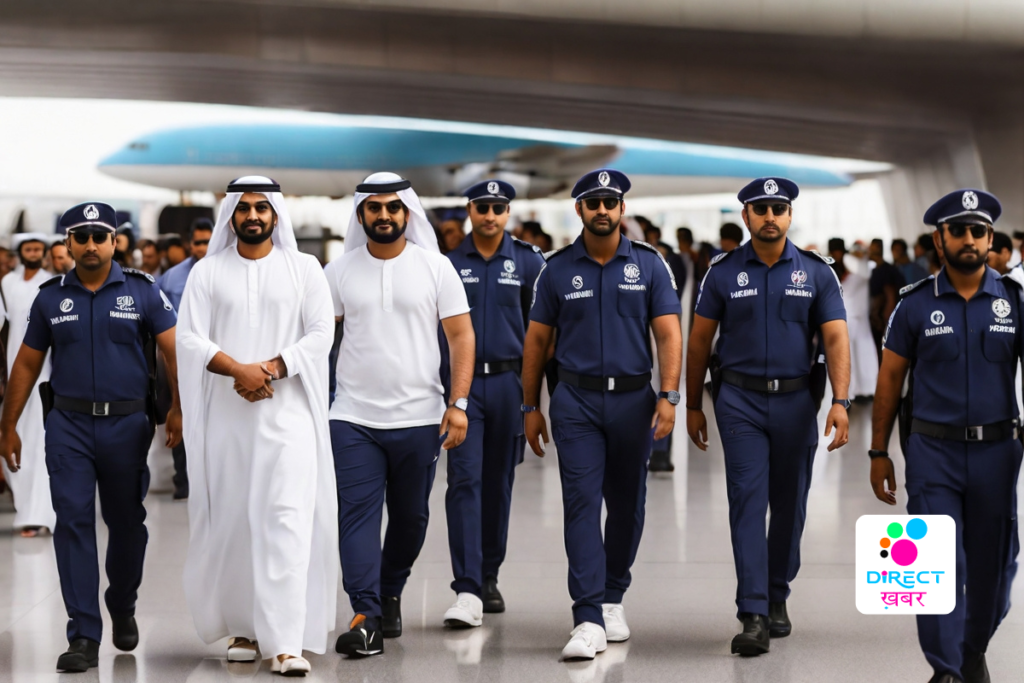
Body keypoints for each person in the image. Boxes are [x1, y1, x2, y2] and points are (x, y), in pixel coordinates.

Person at [0, 202, 181, 673]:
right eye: (81, 237)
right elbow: (26, 363)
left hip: (127, 426)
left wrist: (179, 407)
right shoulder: (49, 299)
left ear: (115, 241)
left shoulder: (143, 292)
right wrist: (8, 425)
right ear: (68, 245)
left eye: (100, 236)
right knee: (73, 523)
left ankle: (121, 601)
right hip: (69, 426)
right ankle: (83, 633)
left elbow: (172, 349)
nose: (91, 244)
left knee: (126, 525)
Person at [176, 177, 337, 677]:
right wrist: (236, 369)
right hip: (226, 422)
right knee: (235, 521)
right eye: (243, 208)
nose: (252, 215)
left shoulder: (304, 268)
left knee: (286, 520)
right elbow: (188, 338)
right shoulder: (207, 272)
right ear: (231, 215)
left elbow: (320, 333)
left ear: (275, 215)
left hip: (287, 418)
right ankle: (244, 628)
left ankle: (286, 641)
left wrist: (267, 368)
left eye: (261, 208)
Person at [686, 177, 851, 656]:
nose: (770, 216)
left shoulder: (818, 272)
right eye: (760, 209)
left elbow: (836, 338)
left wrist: (840, 400)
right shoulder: (721, 273)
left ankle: (778, 591)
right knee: (746, 500)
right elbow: (700, 341)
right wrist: (693, 402)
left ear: (790, 215)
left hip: (798, 402)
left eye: (778, 208)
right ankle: (753, 612)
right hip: (739, 401)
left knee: (791, 504)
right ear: (746, 217)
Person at [523, 168, 682, 661]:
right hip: (576, 401)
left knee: (629, 504)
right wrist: (531, 406)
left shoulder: (651, 266)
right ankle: (587, 616)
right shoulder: (556, 270)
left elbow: (670, 335)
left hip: (635, 401)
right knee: (581, 503)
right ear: (580, 210)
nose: (602, 210)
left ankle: (613, 595)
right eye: (593, 202)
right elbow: (537, 342)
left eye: (610, 201)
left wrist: (669, 396)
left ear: (621, 209)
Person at [870, 189, 1020, 683]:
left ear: (991, 238)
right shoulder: (913, 306)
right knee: (933, 563)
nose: (970, 239)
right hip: (933, 451)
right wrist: (878, 451)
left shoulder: (1015, 302)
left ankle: (971, 649)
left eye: (979, 231)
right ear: (940, 240)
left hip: (999, 452)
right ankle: (946, 669)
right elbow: (890, 381)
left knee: (995, 571)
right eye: (959, 230)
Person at [326, 172, 474, 657]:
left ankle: (390, 589)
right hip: (352, 418)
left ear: (407, 213)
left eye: (393, 207)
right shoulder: (338, 271)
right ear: (361, 214)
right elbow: (318, 340)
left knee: (411, 519)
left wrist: (458, 404)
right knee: (357, 518)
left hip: (420, 418)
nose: (384, 215)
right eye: (374, 208)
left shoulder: (436, 267)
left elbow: (461, 337)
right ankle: (366, 614)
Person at [442, 180, 545, 626]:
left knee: (498, 483)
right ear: (469, 209)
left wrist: (536, 398)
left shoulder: (527, 261)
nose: (490, 214)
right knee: (463, 481)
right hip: (463, 388)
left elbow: (541, 334)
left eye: (498, 207)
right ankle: (465, 588)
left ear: (508, 212)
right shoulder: (446, 265)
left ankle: (488, 576)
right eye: (482, 206)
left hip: (509, 384)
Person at [0, 234, 57, 537]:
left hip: (44, 374)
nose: (33, 253)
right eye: (28, 249)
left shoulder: (51, 283)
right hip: (14, 375)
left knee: (41, 440)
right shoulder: (8, 282)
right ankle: (26, 509)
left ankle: (41, 513)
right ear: (20, 252)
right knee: (15, 437)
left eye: (37, 248)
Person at [157, 217, 214, 500]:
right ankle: (184, 481)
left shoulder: (223, 271)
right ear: (190, 244)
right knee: (181, 415)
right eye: (198, 242)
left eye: (208, 241)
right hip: (180, 360)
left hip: (219, 361)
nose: (203, 248)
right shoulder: (172, 278)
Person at [829, 238, 876, 401]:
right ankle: (851, 391)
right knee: (849, 356)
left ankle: (864, 389)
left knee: (862, 355)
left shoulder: (860, 266)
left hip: (859, 317)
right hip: (846, 317)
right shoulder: (835, 268)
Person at [868, 238, 906, 359]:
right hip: (879, 320)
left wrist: (886, 320)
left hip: (884, 321)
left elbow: (890, 296)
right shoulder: (876, 270)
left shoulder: (886, 270)